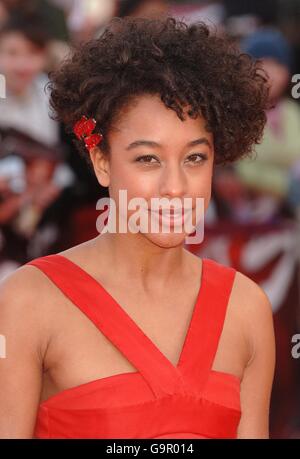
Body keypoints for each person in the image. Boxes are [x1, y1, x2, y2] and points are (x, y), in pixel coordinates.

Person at [0, 16, 275, 439]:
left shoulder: (247, 308)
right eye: (147, 158)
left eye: (195, 158)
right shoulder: (27, 301)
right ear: (102, 162)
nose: (175, 187)